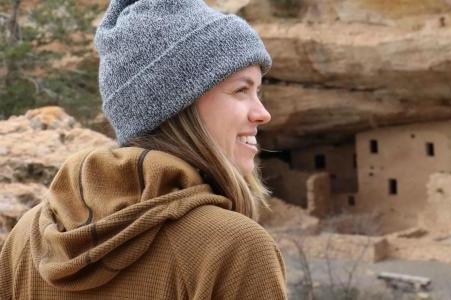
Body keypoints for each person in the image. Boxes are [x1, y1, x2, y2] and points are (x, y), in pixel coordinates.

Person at [0, 0, 287, 299]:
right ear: (179, 104)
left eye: (258, 92)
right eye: (241, 90)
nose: (262, 113)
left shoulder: (28, 236)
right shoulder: (234, 247)